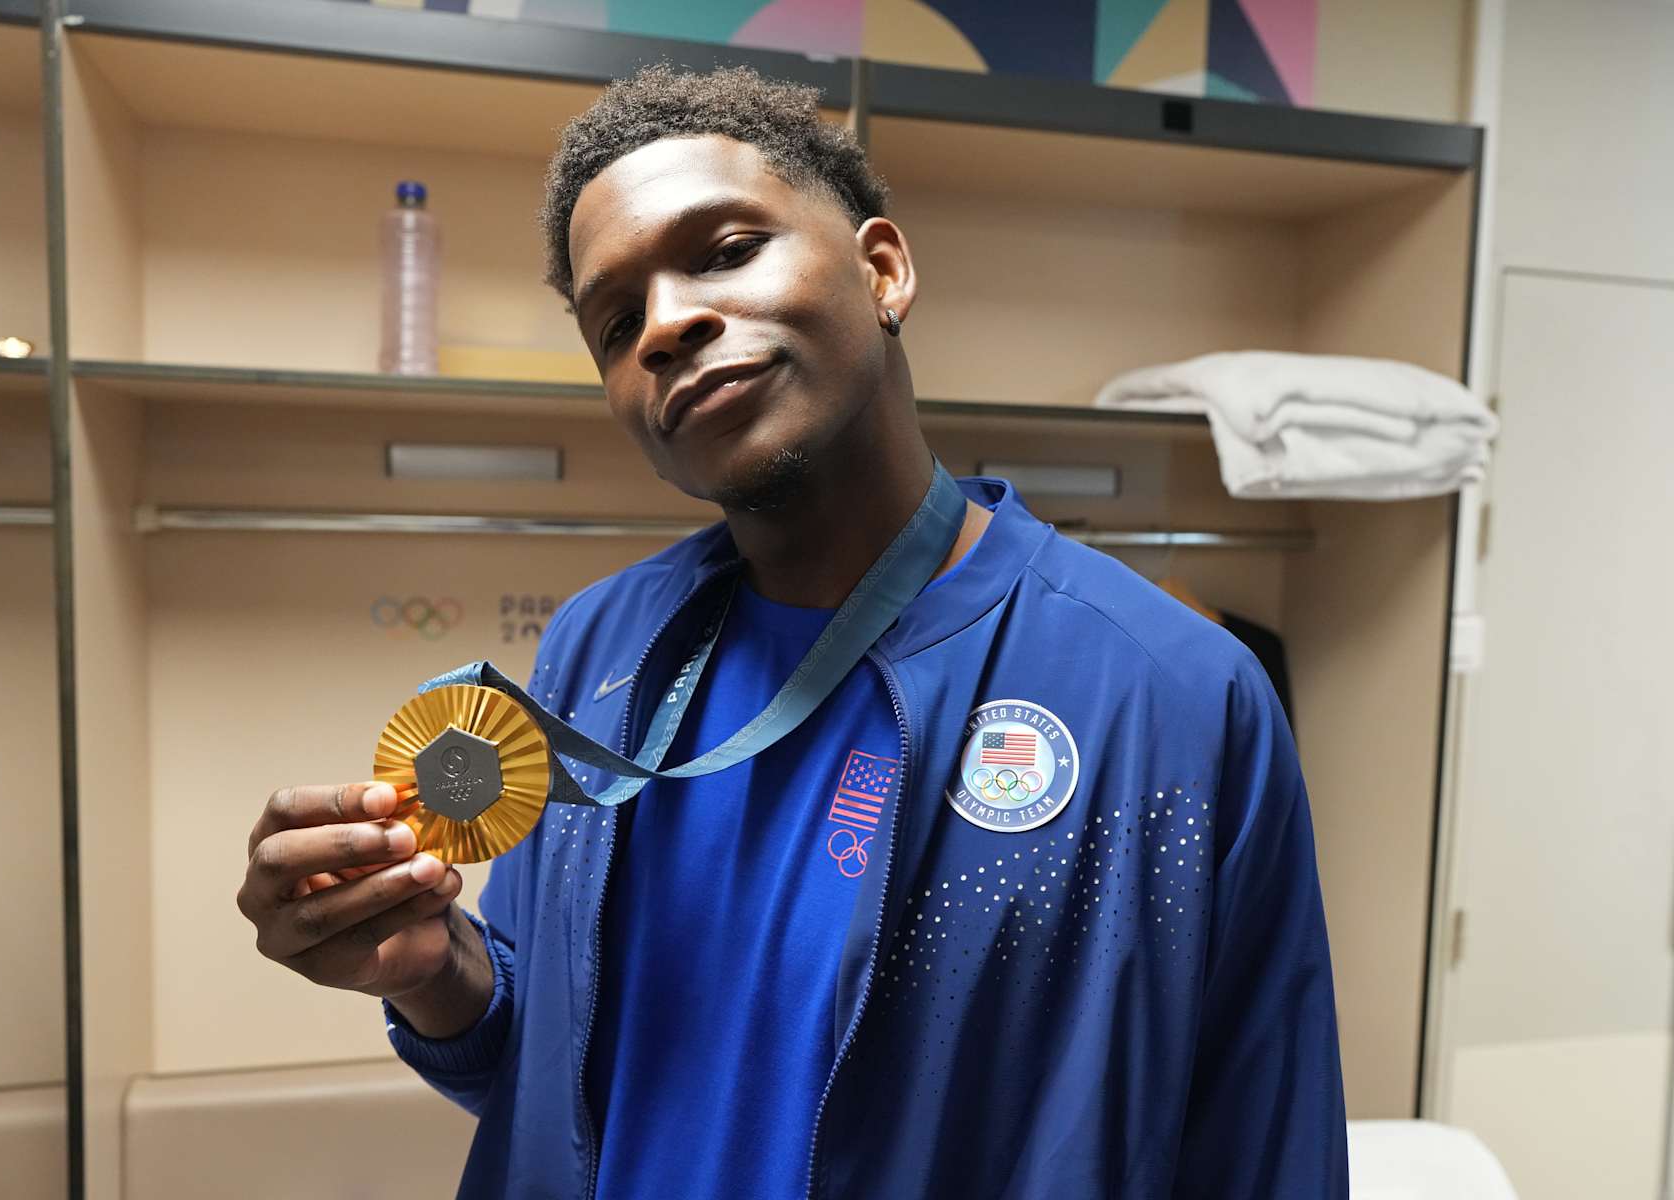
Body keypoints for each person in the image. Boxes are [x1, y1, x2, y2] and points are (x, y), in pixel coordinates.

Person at [236, 64, 1347, 1199]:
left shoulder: (1171, 696)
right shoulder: (598, 651)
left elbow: (1267, 1149)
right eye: (617, 323)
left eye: (724, 251)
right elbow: (548, 1068)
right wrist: (433, 971)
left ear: (883, 269)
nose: (668, 324)